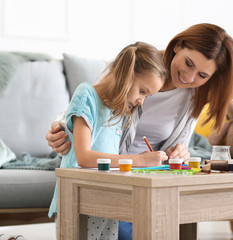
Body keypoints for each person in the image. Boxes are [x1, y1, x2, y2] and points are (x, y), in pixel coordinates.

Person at [46, 23, 233, 239]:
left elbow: (175, 147)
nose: (189, 77)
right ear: (178, 46)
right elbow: (92, 105)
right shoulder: (138, 64)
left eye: (202, 75)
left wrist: (179, 151)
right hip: (113, 171)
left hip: (147, 174)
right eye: (188, 63)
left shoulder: (194, 97)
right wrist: (61, 128)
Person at [47, 41, 168, 240]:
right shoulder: (87, 94)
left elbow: (110, 159)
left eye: (147, 96)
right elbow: (85, 157)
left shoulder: (120, 110)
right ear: (126, 75)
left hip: (105, 199)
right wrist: (139, 160)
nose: (141, 101)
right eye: (142, 91)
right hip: (77, 196)